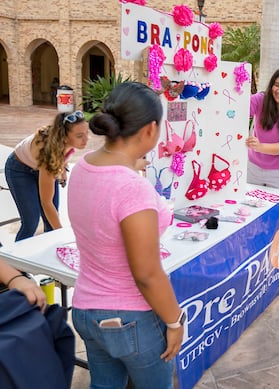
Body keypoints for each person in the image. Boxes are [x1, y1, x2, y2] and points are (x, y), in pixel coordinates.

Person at [67, 82, 184, 388]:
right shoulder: (133, 189)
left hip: (85, 309)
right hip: (130, 317)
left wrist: (132, 166)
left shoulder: (82, 168)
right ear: (149, 130)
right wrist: (174, 321)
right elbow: (146, 273)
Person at [4, 110, 88, 241]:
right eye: (79, 136)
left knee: (51, 221)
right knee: (31, 221)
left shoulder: (63, 142)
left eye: (86, 133)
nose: (86, 139)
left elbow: (65, 152)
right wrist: (64, 238)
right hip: (20, 169)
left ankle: (49, 256)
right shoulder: (50, 154)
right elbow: (46, 203)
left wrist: (63, 169)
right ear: (64, 137)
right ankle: (16, 258)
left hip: (43, 164)